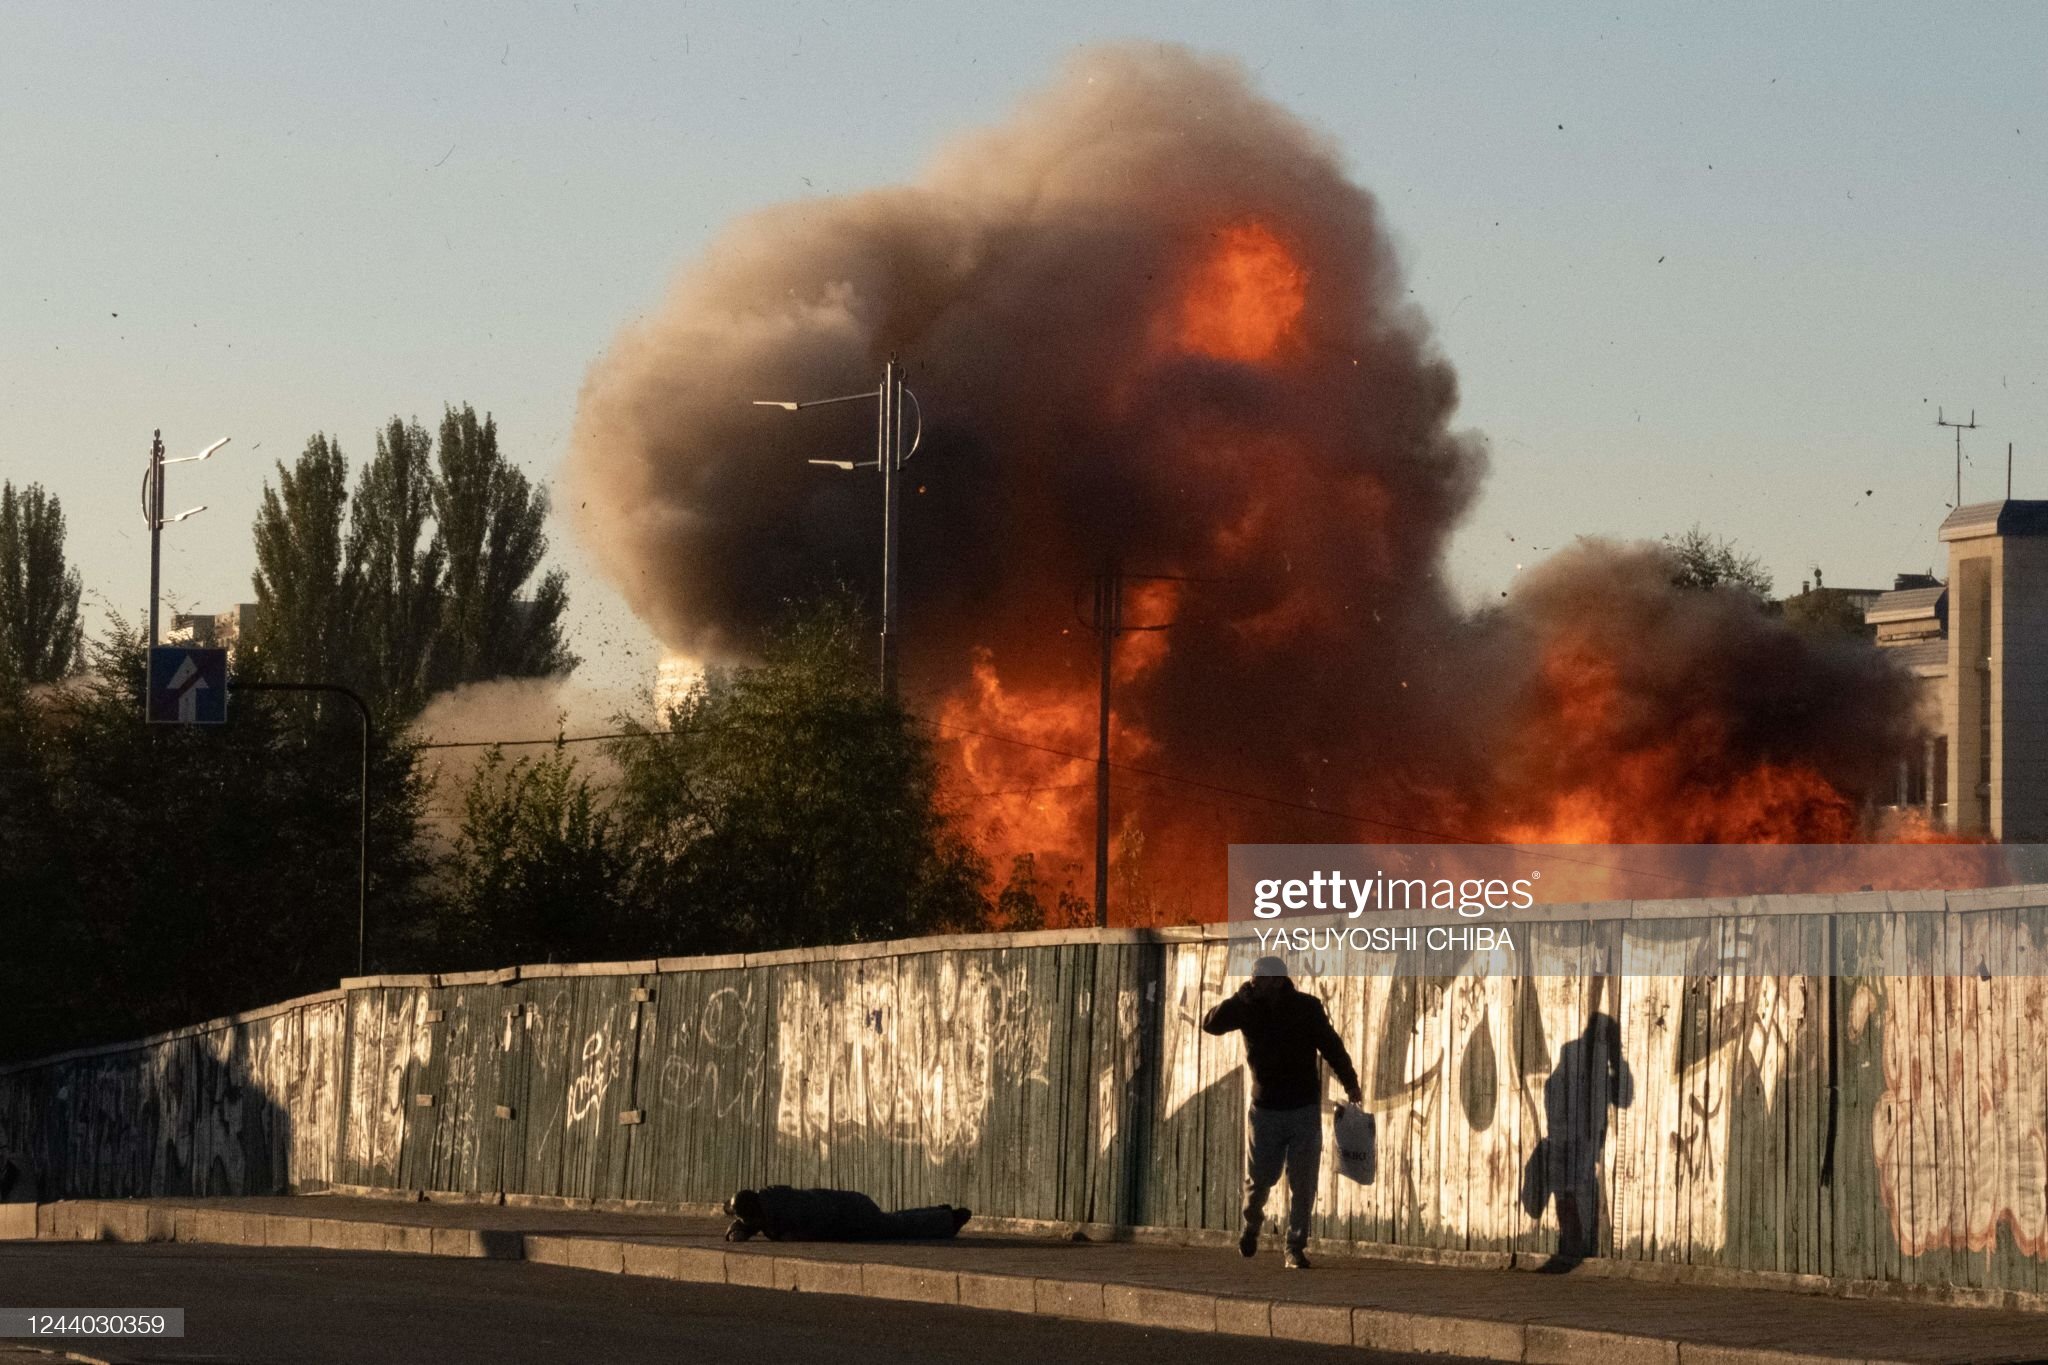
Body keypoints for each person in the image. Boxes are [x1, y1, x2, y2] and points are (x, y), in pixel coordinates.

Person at [1201, 955, 1361, 1269]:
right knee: (1260, 1180)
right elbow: (1210, 1024)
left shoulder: (1306, 1008)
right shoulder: (1247, 1007)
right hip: (1265, 1111)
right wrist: (1237, 998)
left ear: (1276, 981)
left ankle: (1294, 1248)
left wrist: (1350, 1082)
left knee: (1303, 1183)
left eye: (1258, 979)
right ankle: (1252, 1223)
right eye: (1252, 978)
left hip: (1303, 1108)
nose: (1253, 983)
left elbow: (1332, 1046)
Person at [722, 1186, 972, 1242]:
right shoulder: (767, 1204)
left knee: (896, 1227)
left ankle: (949, 1219)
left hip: (850, 1214)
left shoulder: (786, 1209)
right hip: (846, 1208)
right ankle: (942, 1214)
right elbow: (751, 1223)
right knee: (894, 1221)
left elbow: (811, 1231)